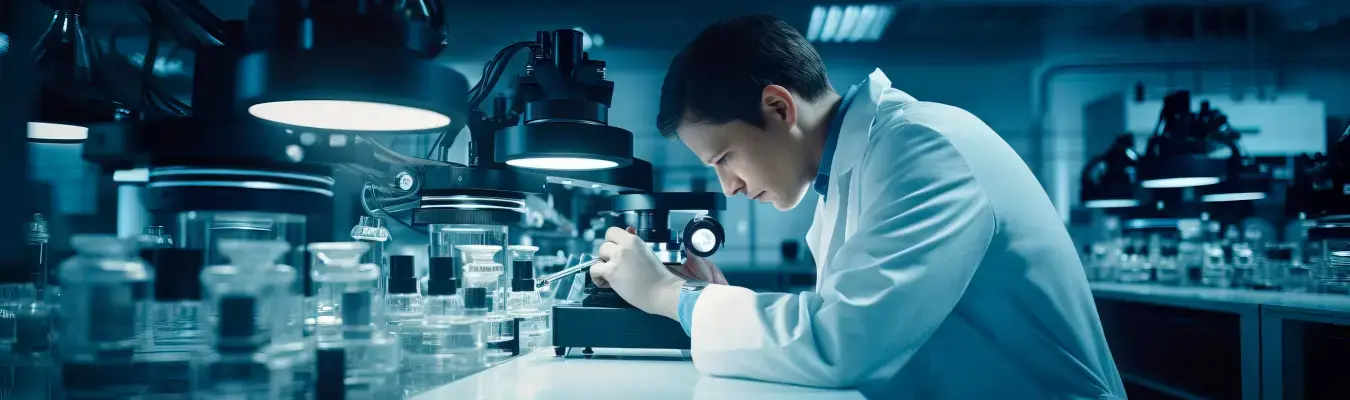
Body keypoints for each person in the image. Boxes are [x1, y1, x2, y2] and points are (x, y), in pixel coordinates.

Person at [589, 14, 1126, 399]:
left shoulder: (923, 147)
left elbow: (843, 344)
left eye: (725, 157)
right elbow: (857, 320)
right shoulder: (853, 171)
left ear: (779, 107)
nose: (727, 186)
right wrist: (714, 301)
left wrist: (671, 295)